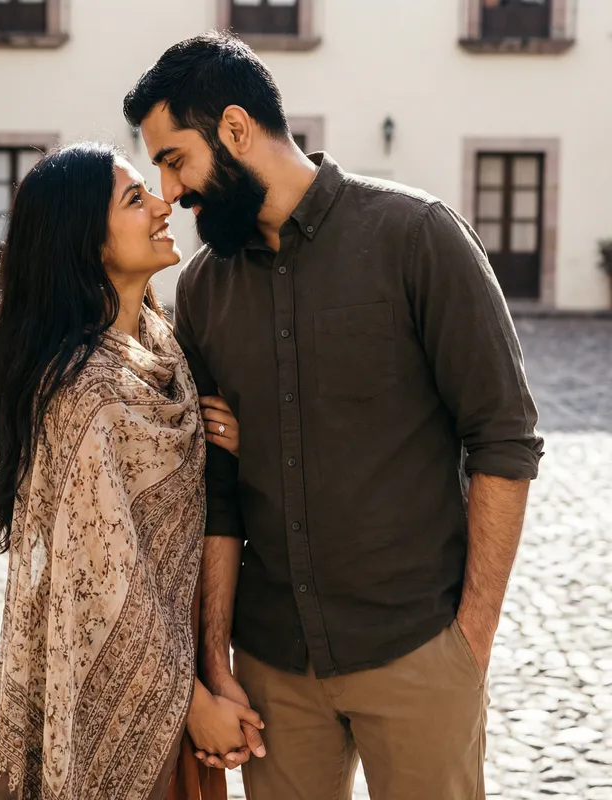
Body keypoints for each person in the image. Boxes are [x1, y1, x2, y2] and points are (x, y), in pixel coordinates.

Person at [124, 32, 545, 800]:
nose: (171, 191)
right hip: (274, 672)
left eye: (175, 158)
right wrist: (214, 661)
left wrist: (469, 643)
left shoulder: (418, 237)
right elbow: (214, 492)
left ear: (236, 129)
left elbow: (505, 441)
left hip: (416, 653)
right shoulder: (207, 292)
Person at [0, 141, 260, 800]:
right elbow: (108, 591)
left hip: (179, 672)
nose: (164, 203)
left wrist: (229, 447)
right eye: (135, 199)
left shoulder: (162, 354)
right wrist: (196, 706)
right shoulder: (82, 392)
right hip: (120, 693)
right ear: (90, 245)